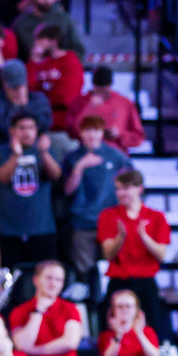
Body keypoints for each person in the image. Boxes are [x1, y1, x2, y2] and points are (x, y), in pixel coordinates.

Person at [62, 115, 132, 303]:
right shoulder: (73, 158)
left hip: (110, 222)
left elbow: (129, 186)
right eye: (87, 130)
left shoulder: (116, 157)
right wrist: (80, 167)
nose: (92, 135)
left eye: (96, 130)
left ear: (102, 133)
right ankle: (90, 313)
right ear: (81, 133)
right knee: (84, 273)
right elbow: (67, 189)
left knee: (113, 271)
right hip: (82, 222)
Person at [97, 170, 171, 341]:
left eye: (126, 188)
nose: (121, 193)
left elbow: (162, 254)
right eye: (118, 189)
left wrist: (144, 237)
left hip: (145, 282)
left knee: (152, 329)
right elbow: (108, 254)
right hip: (119, 281)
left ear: (139, 189)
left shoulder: (156, 217)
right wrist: (120, 238)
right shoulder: (109, 216)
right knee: (113, 330)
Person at [0, 112, 61, 270]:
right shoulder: (0, 153)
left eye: (31, 128)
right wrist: (16, 155)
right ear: (12, 131)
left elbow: (56, 175)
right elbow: (2, 177)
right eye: (22, 128)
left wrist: (44, 153)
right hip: (9, 231)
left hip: (42, 229)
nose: (27, 132)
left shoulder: (45, 152)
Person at [66, 66, 145, 152]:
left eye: (105, 89)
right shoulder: (80, 102)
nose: (101, 93)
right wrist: (90, 108)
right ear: (93, 85)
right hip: (87, 154)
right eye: (98, 89)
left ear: (110, 85)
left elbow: (138, 137)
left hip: (116, 155)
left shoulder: (124, 103)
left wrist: (120, 134)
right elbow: (72, 131)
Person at [11, 0, 84, 61]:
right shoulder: (21, 23)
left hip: (61, 65)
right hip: (33, 67)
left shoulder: (63, 19)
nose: (48, 0)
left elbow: (78, 48)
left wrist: (64, 55)